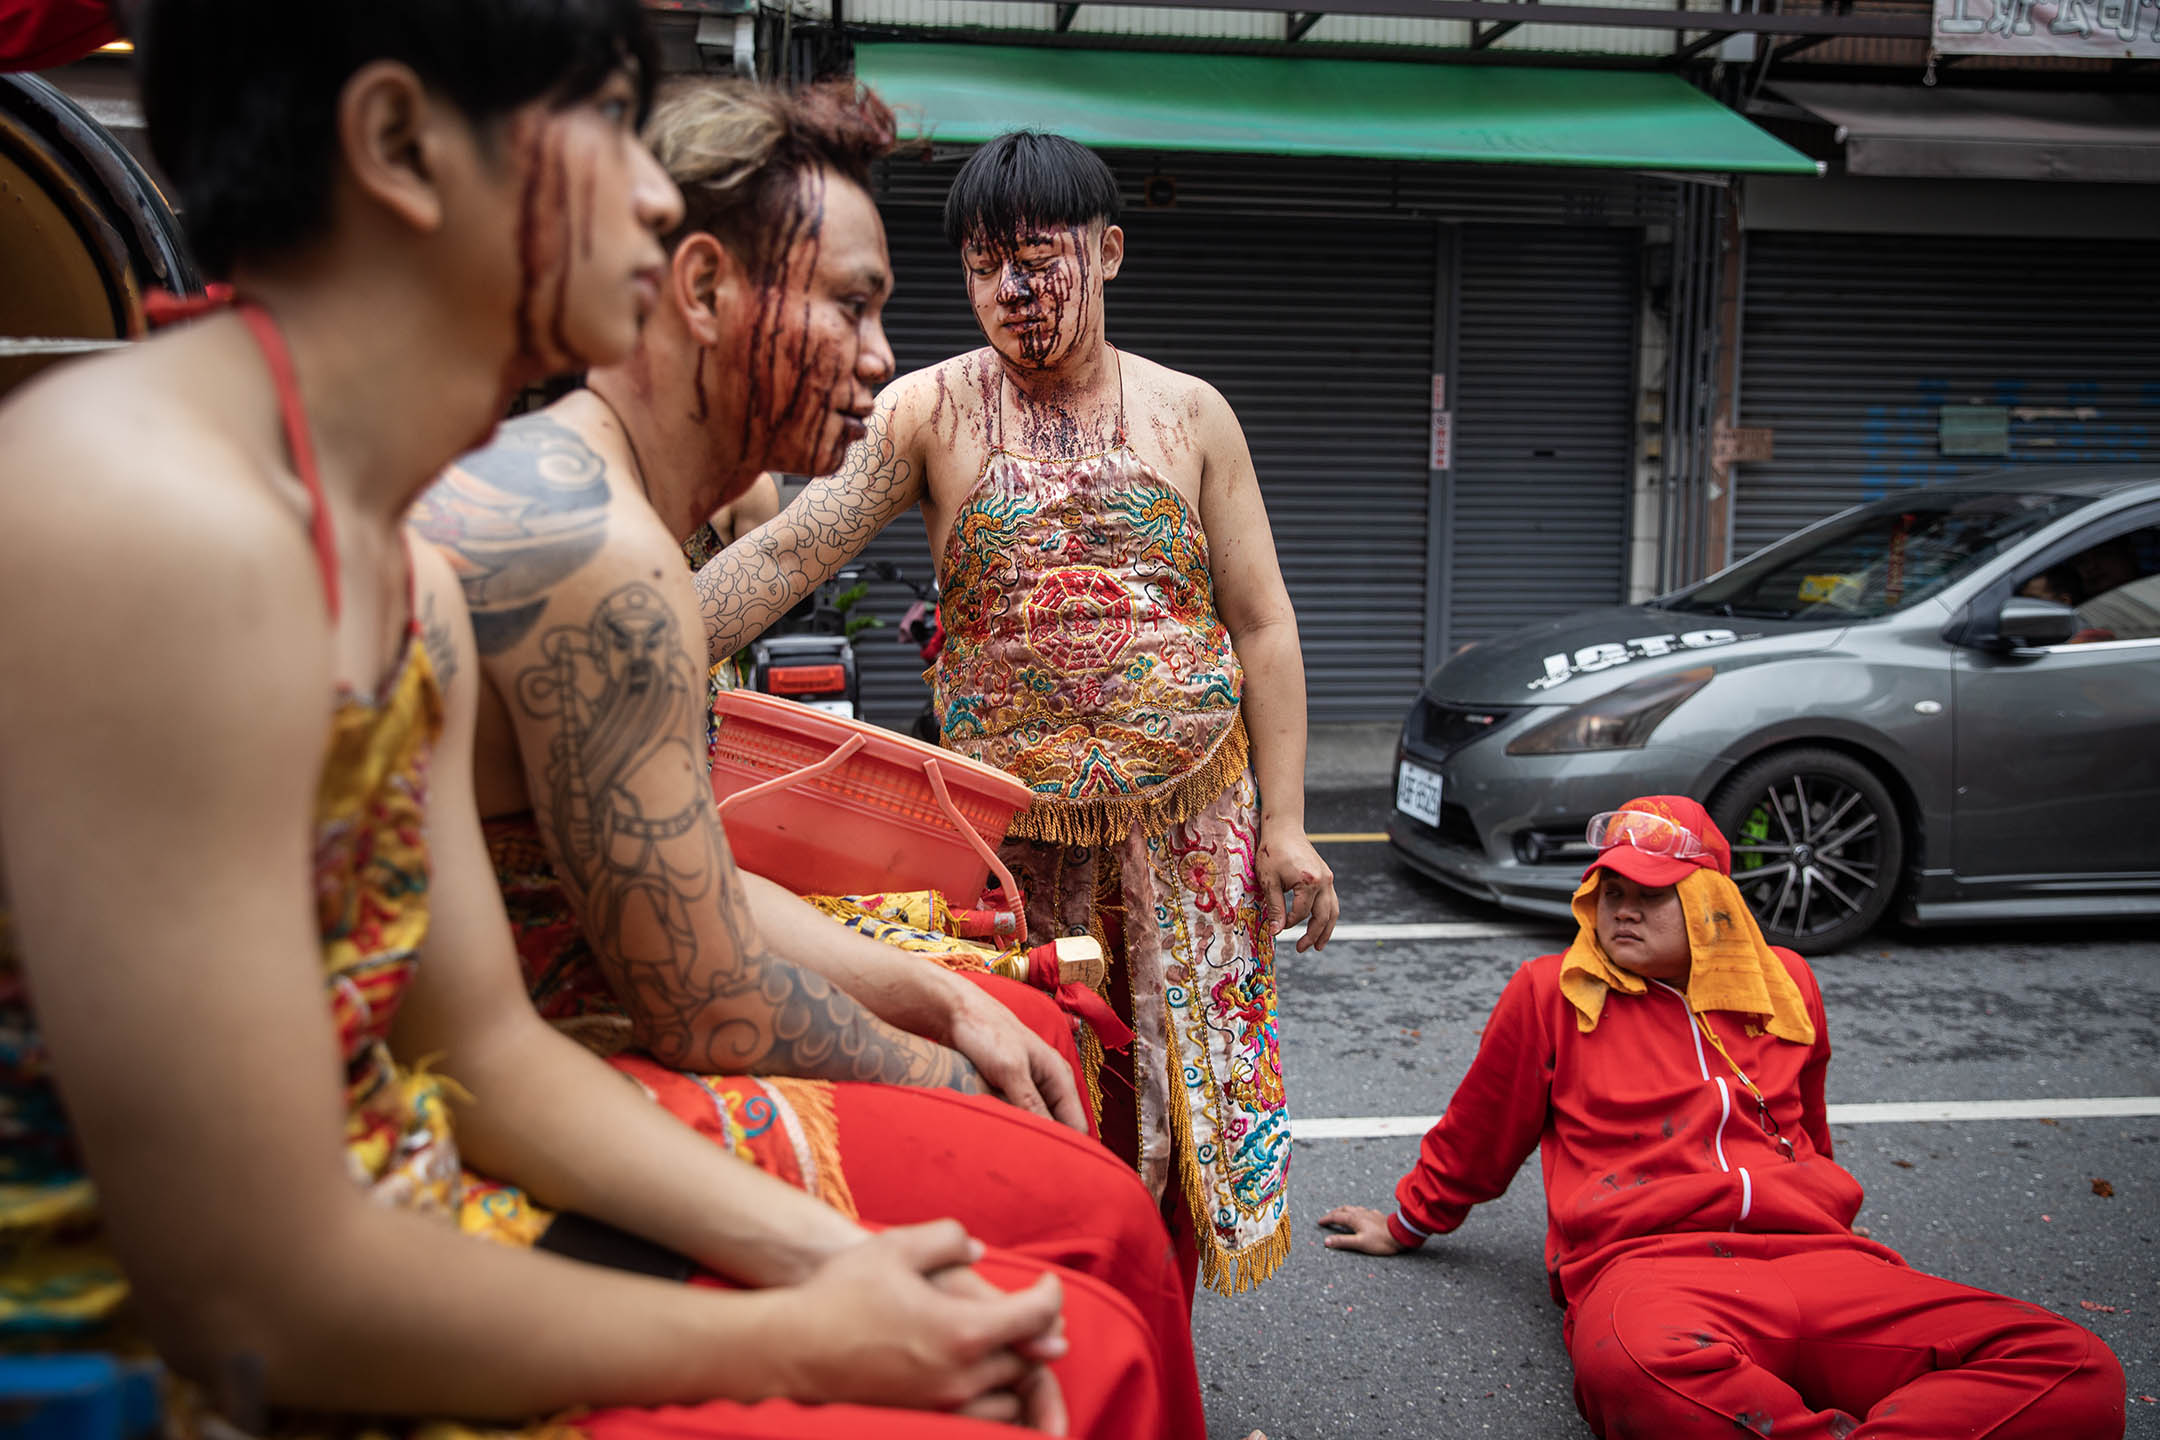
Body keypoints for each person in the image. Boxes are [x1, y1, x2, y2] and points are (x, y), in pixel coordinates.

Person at [0, 6, 1170, 1435]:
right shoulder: (152, 524)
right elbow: (249, 1302)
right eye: (608, 124)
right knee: (1080, 1343)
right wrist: (815, 1337)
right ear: (398, 148)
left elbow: (482, 1051)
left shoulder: (397, 567)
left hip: (417, 1211)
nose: (656, 188)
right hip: (179, 1372)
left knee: (1066, 1320)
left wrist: (840, 1266)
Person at [410, 79, 1207, 1437]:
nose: (882, 352)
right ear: (706, 288)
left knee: (1034, 1049)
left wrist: (937, 996)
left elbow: (688, 879)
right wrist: (949, 1078)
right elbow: (704, 996)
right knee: (1090, 1205)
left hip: (1171, 811)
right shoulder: (602, 556)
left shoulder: (1188, 412)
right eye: (850, 302)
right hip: (560, 1063)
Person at [693, 129, 1339, 1297]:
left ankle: (1151, 1351)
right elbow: (794, 545)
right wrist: (638, 638)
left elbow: (1264, 624)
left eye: (1039, 260)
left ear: (1111, 251)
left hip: (1190, 827)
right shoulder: (927, 412)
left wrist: (1286, 826)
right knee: (1029, 1090)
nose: (1014, 292)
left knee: (1187, 1106)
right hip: (1005, 840)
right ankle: (1050, 1332)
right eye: (987, 267)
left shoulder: (1192, 415)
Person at [1318, 796, 2126, 1440]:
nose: (1619, 913)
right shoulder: (1552, 990)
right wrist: (1411, 1223)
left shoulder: (1788, 986)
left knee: (2074, 1367)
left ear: (1709, 906)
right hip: (1650, 1267)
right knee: (1631, 1372)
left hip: (1823, 1262)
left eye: (1649, 896)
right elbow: (1480, 1130)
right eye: (1611, 893)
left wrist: (1830, 1227)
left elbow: (1807, 1130)